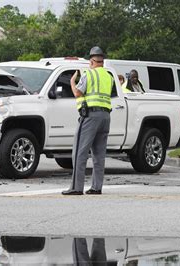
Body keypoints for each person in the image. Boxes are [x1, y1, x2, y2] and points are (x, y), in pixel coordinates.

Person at [62, 46, 113, 196]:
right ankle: (97, 187)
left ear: (91, 61)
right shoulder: (109, 76)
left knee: (80, 152)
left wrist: (72, 82)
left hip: (91, 116)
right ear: (102, 61)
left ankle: (76, 187)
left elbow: (78, 93)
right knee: (99, 155)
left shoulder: (88, 74)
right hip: (105, 117)